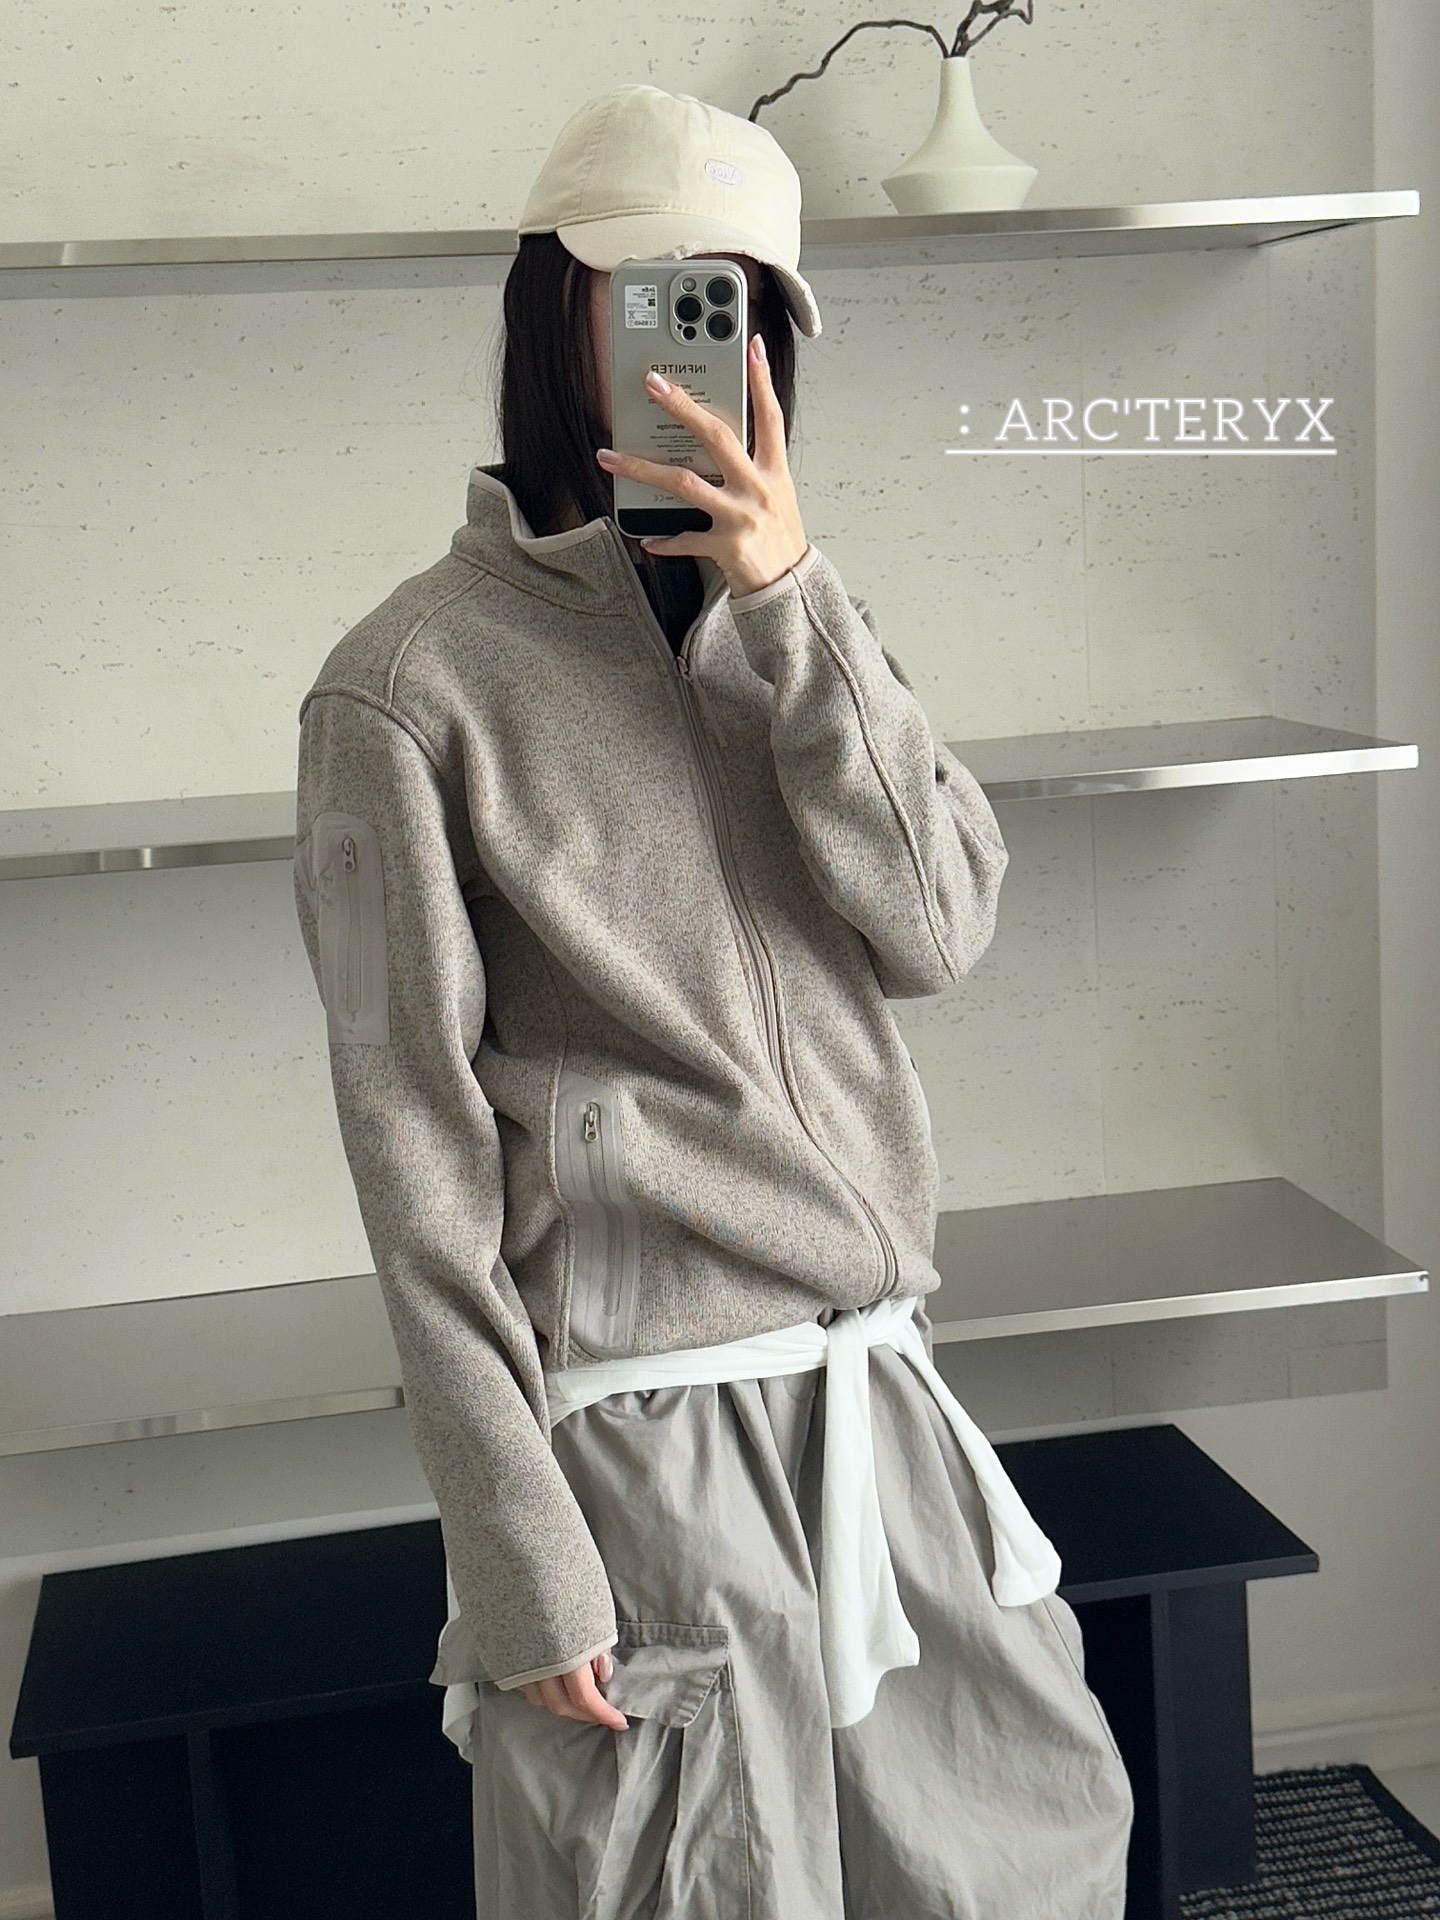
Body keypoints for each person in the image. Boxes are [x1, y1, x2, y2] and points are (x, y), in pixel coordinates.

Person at [292, 81, 1134, 1920]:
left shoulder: (807, 633)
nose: (698, 341)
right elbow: (405, 1145)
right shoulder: (397, 692)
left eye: (736, 301)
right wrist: (518, 1557)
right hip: (640, 1452)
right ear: (558, 311)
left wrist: (792, 604)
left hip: (883, 1406)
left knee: (1026, 1859)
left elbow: (942, 926)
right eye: (656, 290)